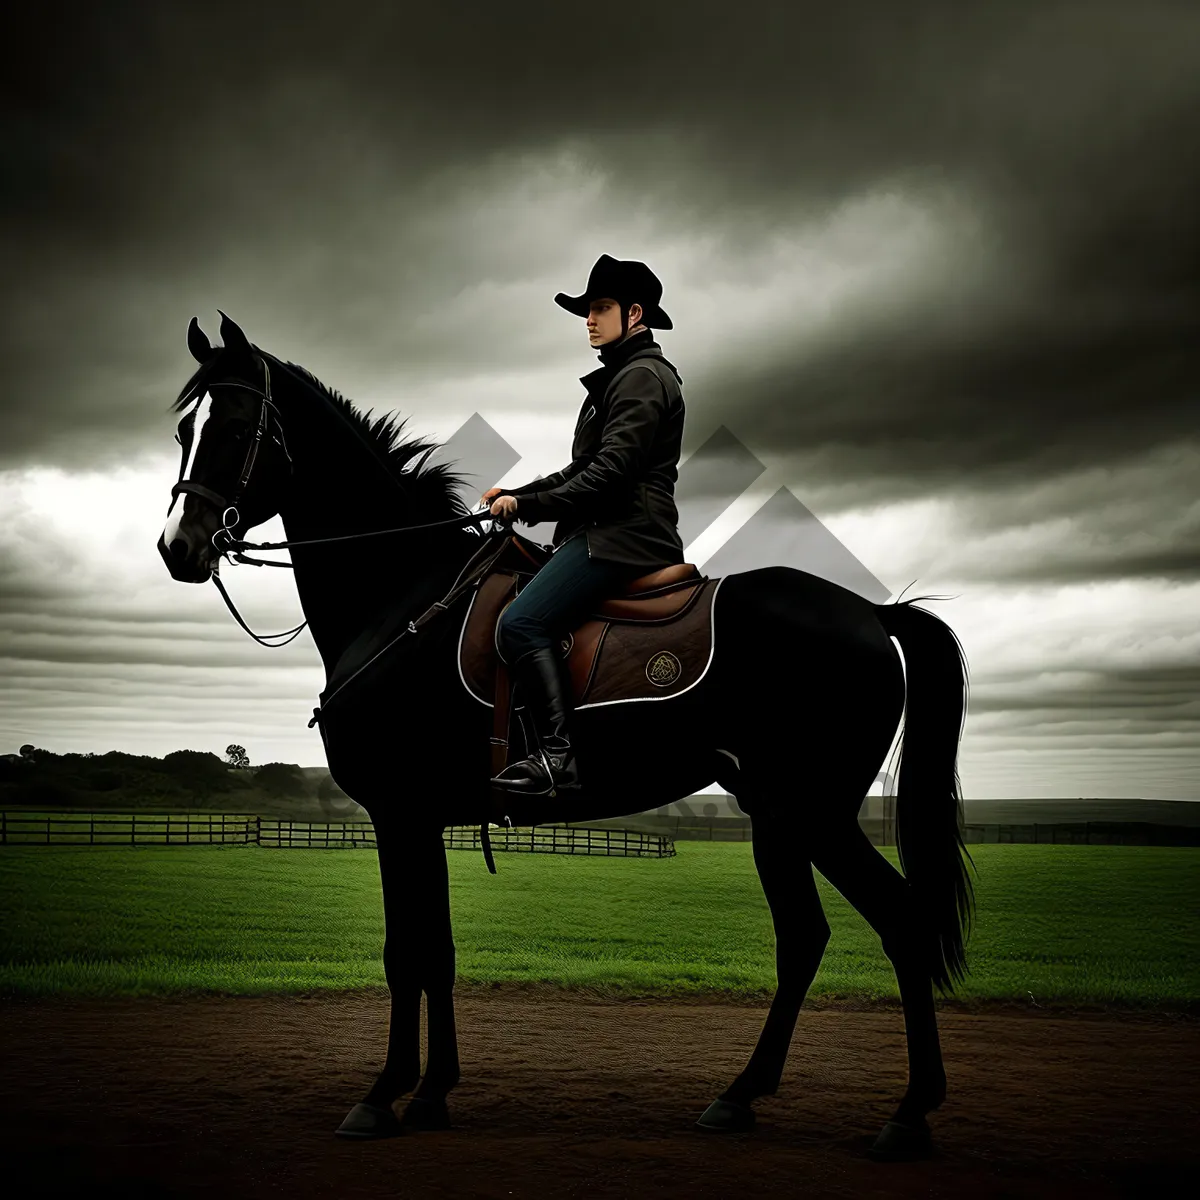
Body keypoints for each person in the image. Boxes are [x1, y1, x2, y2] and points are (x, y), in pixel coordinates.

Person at [480, 254, 687, 797]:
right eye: (587, 310)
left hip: (625, 534)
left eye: (600, 308)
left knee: (520, 623)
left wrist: (527, 508)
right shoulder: (619, 377)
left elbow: (613, 473)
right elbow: (580, 468)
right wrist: (517, 494)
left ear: (634, 314)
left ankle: (556, 758)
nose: (589, 320)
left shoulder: (642, 376)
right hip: (610, 528)